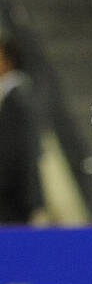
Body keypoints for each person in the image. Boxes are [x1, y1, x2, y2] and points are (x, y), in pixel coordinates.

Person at [0, 34, 45, 226]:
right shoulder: (14, 97)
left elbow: (18, 151)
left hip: (13, 197)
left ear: (8, 62)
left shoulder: (17, 100)